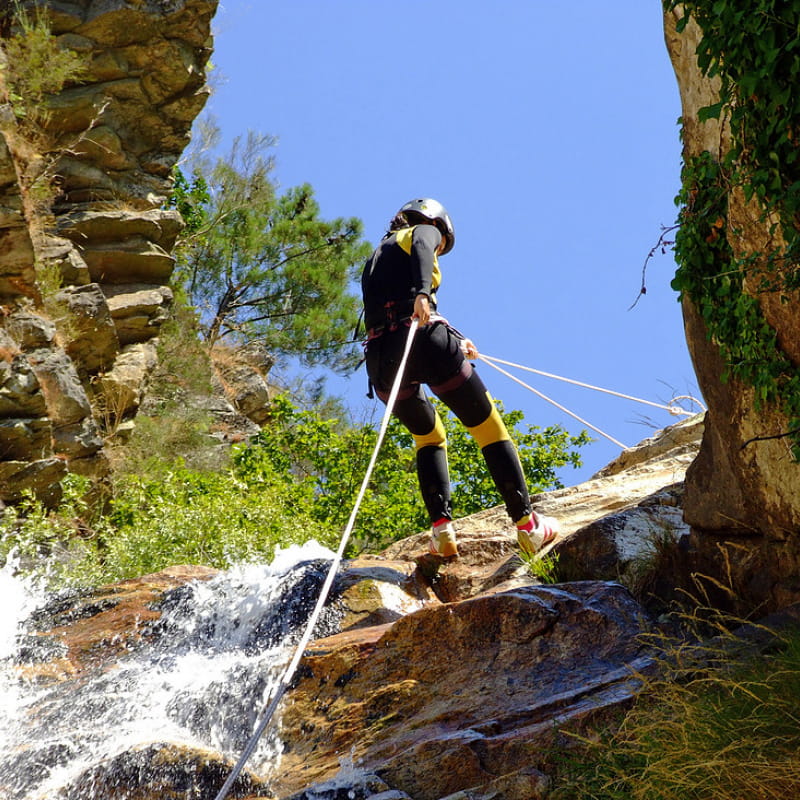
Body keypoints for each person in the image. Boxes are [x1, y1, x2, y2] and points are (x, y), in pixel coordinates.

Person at [361, 198, 560, 558]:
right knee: (488, 427)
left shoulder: (374, 259)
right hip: (423, 341)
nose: (437, 246)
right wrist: (424, 291)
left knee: (429, 437)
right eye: (440, 242)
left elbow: (393, 309)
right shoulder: (420, 231)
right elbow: (422, 252)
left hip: (382, 363)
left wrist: (456, 334)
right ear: (433, 222)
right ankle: (528, 526)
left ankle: (442, 530)